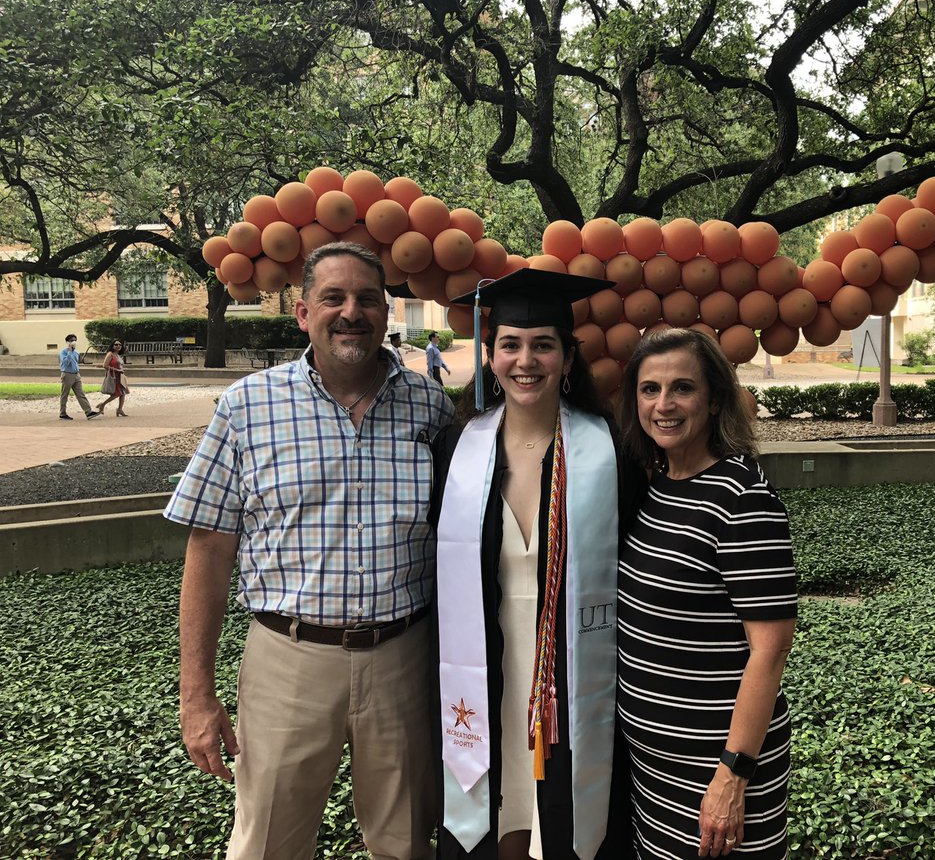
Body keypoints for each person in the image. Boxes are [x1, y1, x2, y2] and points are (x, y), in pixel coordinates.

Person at [165, 242, 454, 859]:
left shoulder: (431, 408)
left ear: (387, 311)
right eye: (334, 298)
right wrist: (196, 694)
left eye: (368, 299)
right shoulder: (248, 407)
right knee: (269, 842)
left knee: (404, 842)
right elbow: (209, 548)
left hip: (403, 659)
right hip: (286, 661)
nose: (352, 312)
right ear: (302, 313)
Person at [430, 269, 646, 860]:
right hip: (481, 666)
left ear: (567, 357)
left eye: (544, 344)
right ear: (491, 355)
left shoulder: (610, 451)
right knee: (497, 814)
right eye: (511, 344)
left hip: (577, 669)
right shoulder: (455, 449)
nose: (527, 360)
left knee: (565, 822)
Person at [617, 328, 797, 859]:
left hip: (716, 767)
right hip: (653, 764)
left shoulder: (743, 498)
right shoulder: (652, 487)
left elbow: (770, 648)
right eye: (649, 389)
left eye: (682, 388)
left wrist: (732, 774)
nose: (663, 405)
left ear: (715, 397)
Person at [58, 334, 100, 420]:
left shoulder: (76, 352)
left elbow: (77, 362)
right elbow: (66, 363)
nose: (73, 342)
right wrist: (69, 351)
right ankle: (62, 413)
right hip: (67, 374)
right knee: (64, 394)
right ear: (67, 342)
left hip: (76, 374)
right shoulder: (63, 352)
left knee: (80, 394)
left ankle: (88, 412)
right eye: (71, 340)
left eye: (75, 340)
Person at [95, 339, 130, 416]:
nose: (118, 346)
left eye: (120, 345)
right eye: (116, 344)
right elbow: (105, 365)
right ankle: (103, 404)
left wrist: (122, 373)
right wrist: (116, 370)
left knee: (123, 393)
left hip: (120, 376)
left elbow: (120, 366)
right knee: (117, 393)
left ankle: (120, 409)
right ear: (112, 346)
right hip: (114, 376)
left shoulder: (118, 355)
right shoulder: (110, 354)